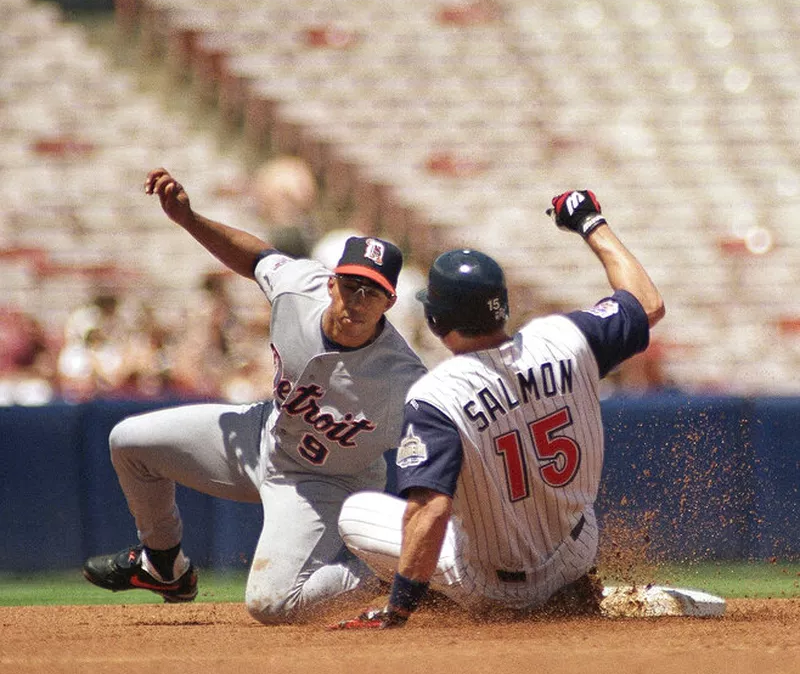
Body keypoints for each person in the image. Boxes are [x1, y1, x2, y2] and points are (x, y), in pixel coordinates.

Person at [82, 167, 427, 623]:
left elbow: (451, 454)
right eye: (349, 285)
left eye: (372, 291)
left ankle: (384, 576)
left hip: (324, 485)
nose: (357, 300)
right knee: (129, 442)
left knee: (271, 604)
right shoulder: (298, 288)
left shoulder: (403, 378)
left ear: (390, 301)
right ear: (330, 282)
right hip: (261, 436)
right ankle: (163, 565)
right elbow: (255, 257)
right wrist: (188, 219)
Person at [331, 190, 666, 629]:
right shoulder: (566, 338)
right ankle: (570, 594)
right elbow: (647, 303)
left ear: (435, 321)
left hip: (496, 587)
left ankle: (449, 608)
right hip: (576, 555)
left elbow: (429, 513)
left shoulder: (436, 395)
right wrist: (588, 221)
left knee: (354, 514)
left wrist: (399, 610)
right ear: (502, 308)